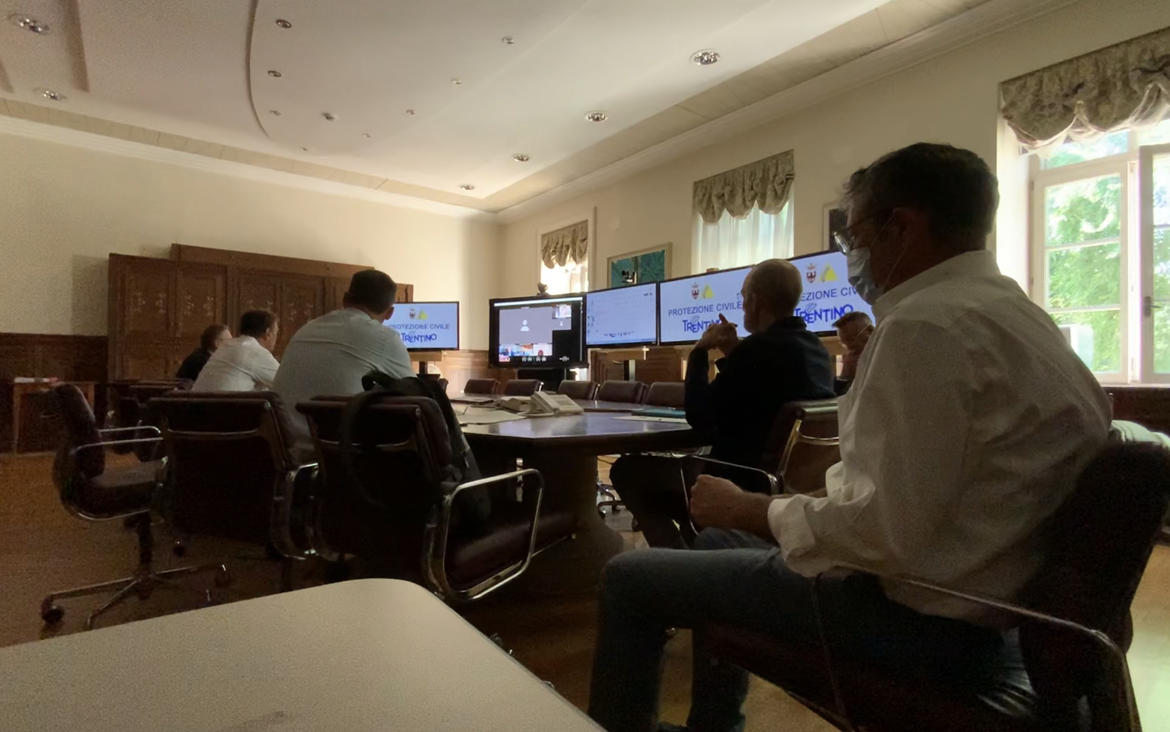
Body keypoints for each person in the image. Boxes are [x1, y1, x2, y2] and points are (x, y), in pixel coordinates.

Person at [587, 143, 1111, 732]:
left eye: (852, 235)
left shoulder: (924, 326)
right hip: (995, 599)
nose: (851, 253)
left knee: (628, 578)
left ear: (902, 227)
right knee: (716, 546)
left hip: (922, 617)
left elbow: (880, 535)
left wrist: (750, 508)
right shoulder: (1020, 316)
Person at [611, 259, 835, 548]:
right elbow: (757, 393)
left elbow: (700, 416)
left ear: (755, 301)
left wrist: (699, 352)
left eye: (743, 296)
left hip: (738, 486)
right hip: (786, 487)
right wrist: (733, 352)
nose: (742, 304)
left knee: (628, 471)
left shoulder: (756, 351)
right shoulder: (816, 350)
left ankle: (681, 556)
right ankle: (702, 549)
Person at [273, 269, 413, 457]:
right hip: (342, 456)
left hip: (285, 451)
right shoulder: (384, 338)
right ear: (390, 313)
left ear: (345, 299)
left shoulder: (306, 329)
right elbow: (414, 397)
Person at [191, 311, 279, 392]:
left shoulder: (226, 346)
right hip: (223, 404)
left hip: (197, 403)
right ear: (268, 333)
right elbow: (285, 384)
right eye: (276, 333)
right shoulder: (254, 351)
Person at [832, 310, 873, 394]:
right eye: (843, 342)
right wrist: (846, 374)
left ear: (870, 331)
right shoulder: (850, 360)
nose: (849, 346)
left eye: (851, 339)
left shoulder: (885, 354)